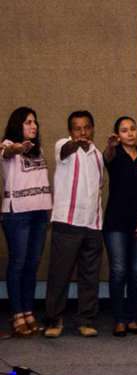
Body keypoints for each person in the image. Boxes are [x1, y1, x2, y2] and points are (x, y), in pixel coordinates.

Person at [44, 110, 105, 338]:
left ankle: (86, 320)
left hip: (93, 223)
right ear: (70, 131)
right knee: (60, 274)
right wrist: (74, 143)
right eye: (77, 128)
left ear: (92, 128)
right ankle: (54, 319)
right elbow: (66, 151)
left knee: (89, 275)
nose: (82, 132)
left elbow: (98, 188)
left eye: (86, 127)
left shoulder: (97, 155)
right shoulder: (64, 146)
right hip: (67, 221)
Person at [102, 116, 137, 337]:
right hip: (116, 223)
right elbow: (106, 157)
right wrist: (110, 145)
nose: (130, 133)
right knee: (118, 271)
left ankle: (133, 318)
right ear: (118, 134)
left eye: (133, 129)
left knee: (135, 272)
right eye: (124, 130)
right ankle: (118, 319)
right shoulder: (114, 155)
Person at [2, 107, 53, 337]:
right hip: (17, 214)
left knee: (32, 265)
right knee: (18, 264)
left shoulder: (38, 150)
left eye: (35, 122)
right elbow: (8, 152)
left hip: (39, 214)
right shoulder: (7, 146)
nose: (33, 126)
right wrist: (17, 147)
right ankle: (17, 314)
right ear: (17, 126)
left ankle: (29, 312)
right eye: (28, 122)